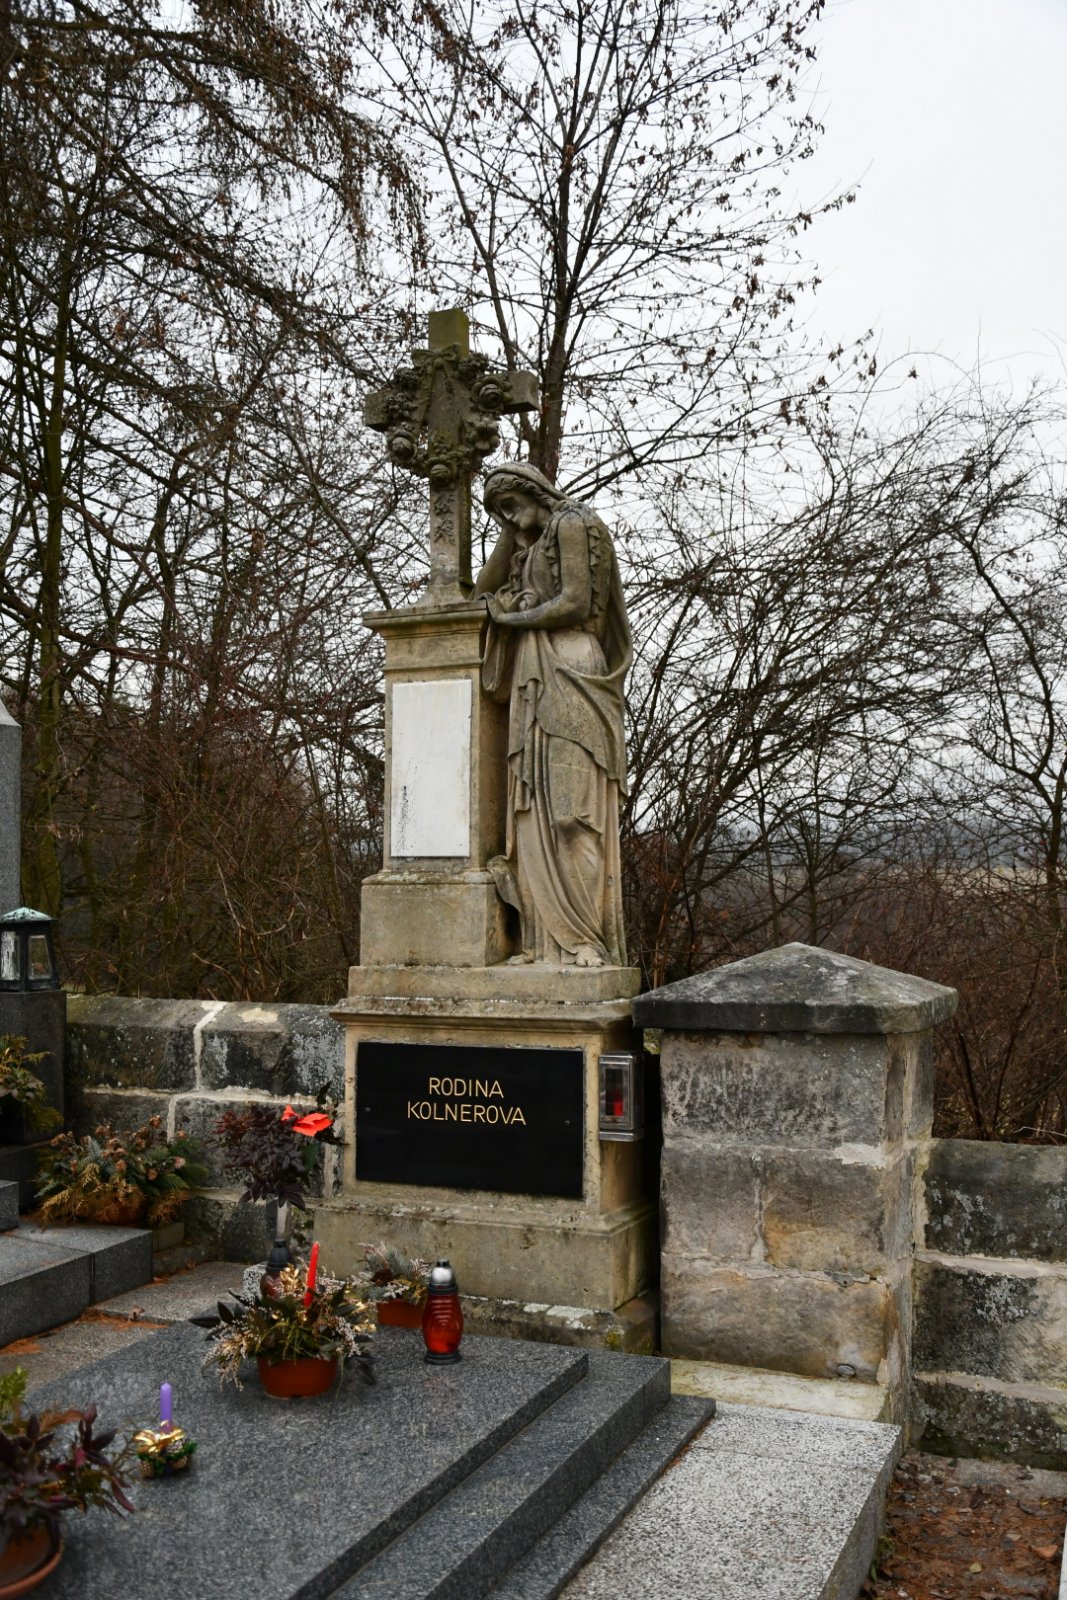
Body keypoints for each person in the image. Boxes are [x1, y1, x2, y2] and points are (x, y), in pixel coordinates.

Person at [473, 461, 631, 967]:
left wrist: (514, 618)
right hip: (533, 674)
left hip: (571, 666)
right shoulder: (528, 542)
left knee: (570, 816)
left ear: (534, 491)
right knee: (531, 816)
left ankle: (584, 939)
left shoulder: (572, 521)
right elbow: (479, 594)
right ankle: (542, 944)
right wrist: (510, 528)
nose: (509, 519)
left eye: (511, 505)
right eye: (499, 514)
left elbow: (576, 602)